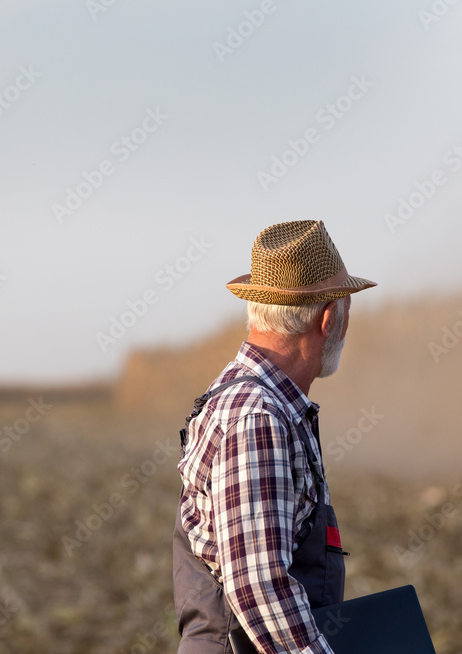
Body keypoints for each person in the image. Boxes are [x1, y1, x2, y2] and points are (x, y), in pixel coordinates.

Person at [173, 220, 376, 653]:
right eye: (346, 305)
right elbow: (258, 585)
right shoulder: (256, 416)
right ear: (328, 318)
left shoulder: (263, 403)